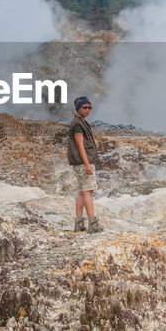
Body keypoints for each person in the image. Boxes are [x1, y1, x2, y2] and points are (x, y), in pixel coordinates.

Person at [67, 95, 101, 232]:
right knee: (88, 192)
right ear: (78, 108)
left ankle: (79, 223)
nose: (87, 110)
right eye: (84, 107)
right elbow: (80, 145)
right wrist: (87, 164)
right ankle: (93, 224)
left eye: (89, 108)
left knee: (82, 192)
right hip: (83, 162)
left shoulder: (80, 122)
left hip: (80, 162)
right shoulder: (77, 124)